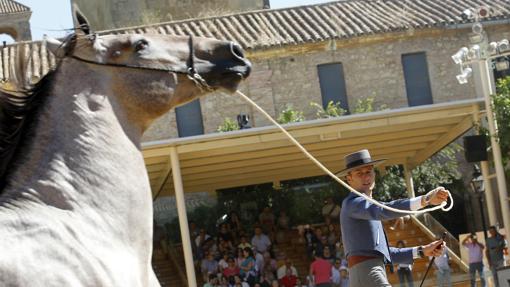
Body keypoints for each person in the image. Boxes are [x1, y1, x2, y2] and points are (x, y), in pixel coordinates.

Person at [338, 149, 449, 287]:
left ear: (374, 174)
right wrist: (425, 200)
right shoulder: (353, 203)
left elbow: (385, 253)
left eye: (368, 172)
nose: (365, 177)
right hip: (367, 273)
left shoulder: (365, 207)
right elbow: (384, 210)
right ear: (349, 179)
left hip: (369, 273)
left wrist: (422, 251)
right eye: (359, 173)